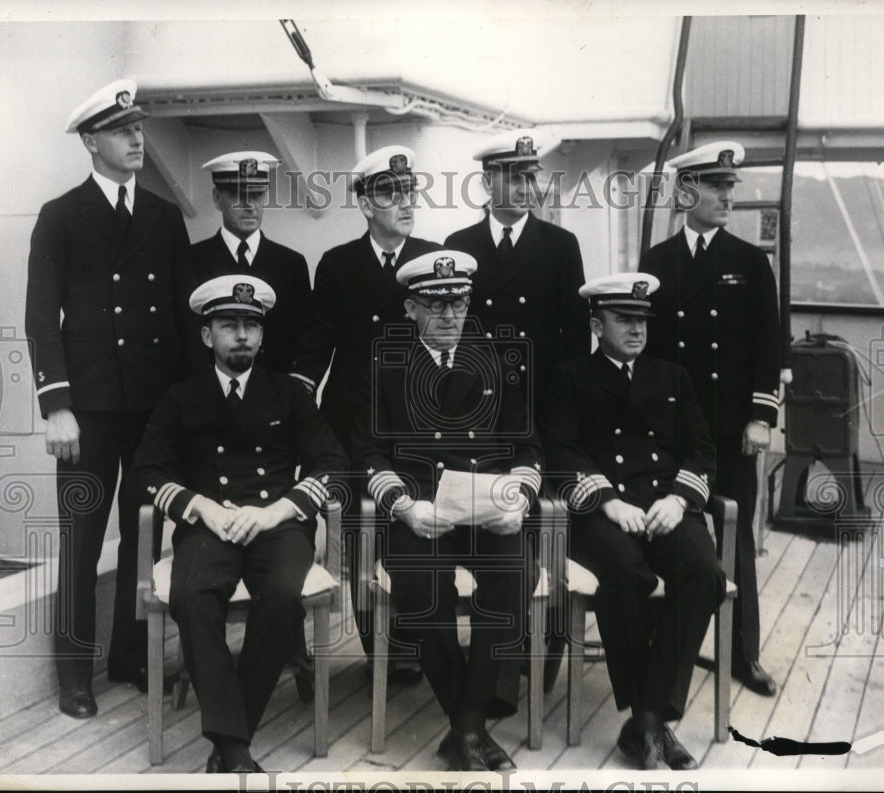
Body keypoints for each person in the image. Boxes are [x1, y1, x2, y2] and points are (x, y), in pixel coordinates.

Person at [130, 275, 347, 773]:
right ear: (208, 335)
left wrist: (276, 510)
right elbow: (145, 472)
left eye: (251, 325)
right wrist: (202, 506)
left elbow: (331, 465)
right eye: (230, 325)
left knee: (282, 596)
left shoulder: (289, 395)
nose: (243, 335)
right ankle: (236, 748)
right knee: (191, 594)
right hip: (210, 526)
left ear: (263, 335)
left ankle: (229, 743)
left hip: (278, 524)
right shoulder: (180, 398)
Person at [25, 78, 192, 718]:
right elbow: (42, 316)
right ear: (91, 141)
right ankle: (75, 677)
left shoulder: (162, 216)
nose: (136, 139)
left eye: (140, 129)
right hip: (87, 412)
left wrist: (181, 408)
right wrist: (56, 405)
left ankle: (128, 657)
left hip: (150, 407)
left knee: (143, 537)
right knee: (81, 540)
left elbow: (179, 318)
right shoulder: (61, 215)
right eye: (123, 131)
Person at [351, 250, 544, 771]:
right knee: (421, 587)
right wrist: (403, 506)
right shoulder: (384, 364)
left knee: (515, 572)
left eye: (458, 302)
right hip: (420, 511)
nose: (450, 315)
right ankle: (473, 724)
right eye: (436, 306)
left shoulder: (498, 361)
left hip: (484, 510)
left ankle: (466, 725)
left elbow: (528, 448)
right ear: (411, 308)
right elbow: (368, 452)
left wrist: (520, 499)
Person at [541, 272, 724, 770]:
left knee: (704, 574)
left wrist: (681, 499)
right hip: (603, 511)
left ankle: (644, 719)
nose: (637, 329)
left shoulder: (671, 377)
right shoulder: (570, 375)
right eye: (625, 319)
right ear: (597, 324)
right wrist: (605, 500)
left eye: (642, 319)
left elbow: (702, 449)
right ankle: (652, 721)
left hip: (665, 505)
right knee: (625, 574)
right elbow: (559, 450)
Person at [291, 145, 440, 674]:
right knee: (358, 535)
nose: (404, 202)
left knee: (411, 528)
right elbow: (317, 345)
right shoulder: (338, 265)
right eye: (389, 193)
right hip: (353, 426)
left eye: (409, 192)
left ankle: (415, 640)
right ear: (365, 204)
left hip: (417, 424)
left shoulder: (432, 258)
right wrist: (295, 402)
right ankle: (381, 651)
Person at [639, 141, 781, 697]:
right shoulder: (657, 262)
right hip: (670, 429)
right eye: (716, 187)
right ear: (685, 192)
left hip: (726, 430)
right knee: (666, 529)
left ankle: (745, 654)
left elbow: (769, 347)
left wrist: (760, 417)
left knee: (735, 537)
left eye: (730, 187)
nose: (727, 197)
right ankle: (665, 641)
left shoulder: (749, 262)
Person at [443, 127, 589, 420]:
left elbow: (576, 336)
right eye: (513, 179)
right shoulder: (458, 245)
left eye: (530, 177)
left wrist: (567, 402)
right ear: (487, 182)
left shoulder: (560, 245)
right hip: (477, 395)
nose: (526, 189)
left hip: (541, 398)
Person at [187, 151, 311, 374]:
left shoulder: (291, 264)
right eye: (238, 195)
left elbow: (303, 336)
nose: (250, 205)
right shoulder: (190, 261)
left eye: (257, 194)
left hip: (275, 395)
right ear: (217, 197)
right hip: (210, 395)